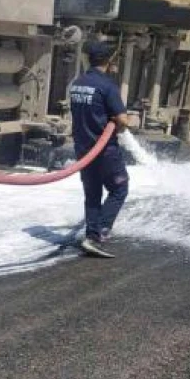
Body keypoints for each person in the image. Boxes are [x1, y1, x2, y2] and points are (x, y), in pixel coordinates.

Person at [70, 41, 131, 259]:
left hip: (83, 149)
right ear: (109, 60)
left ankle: (91, 234)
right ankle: (97, 234)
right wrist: (122, 121)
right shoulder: (107, 86)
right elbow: (122, 120)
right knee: (119, 189)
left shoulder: (77, 84)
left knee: (92, 194)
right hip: (105, 150)